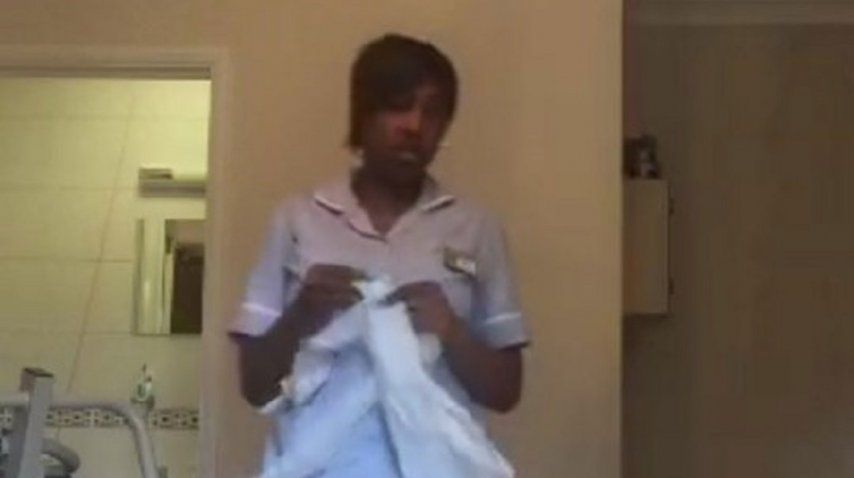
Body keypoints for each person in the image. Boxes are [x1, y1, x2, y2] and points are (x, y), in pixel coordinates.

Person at [229, 33, 530, 477]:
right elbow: (254, 388)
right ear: (363, 115)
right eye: (398, 106)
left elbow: (506, 392)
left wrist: (451, 331)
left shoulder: (477, 229)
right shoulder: (296, 221)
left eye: (432, 112)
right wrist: (301, 316)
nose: (414, 125)